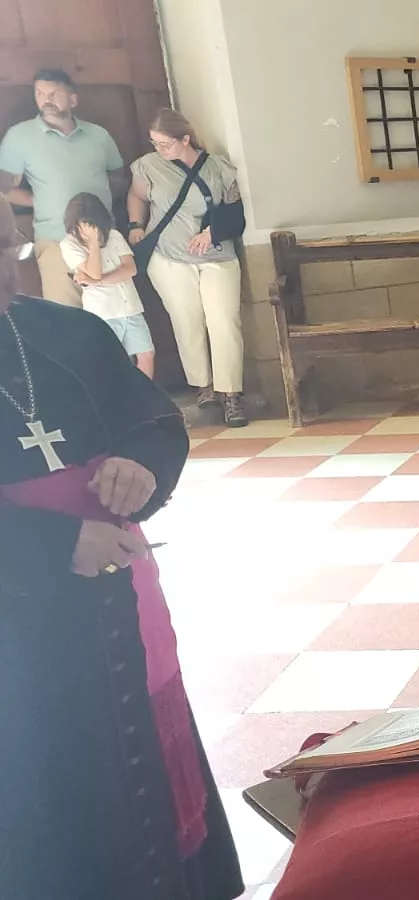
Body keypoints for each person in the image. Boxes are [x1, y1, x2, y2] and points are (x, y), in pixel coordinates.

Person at [0, 200, 243, 899]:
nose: (14, 268)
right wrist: (50, 546)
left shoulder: (66, 332)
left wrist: (142, 464)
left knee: (146, 781)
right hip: (20, 631)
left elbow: (157, 421)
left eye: (13, 247)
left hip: (121, 608)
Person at [129, 109, 249, 427]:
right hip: (169, 258)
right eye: (154, 143)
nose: (160, 150)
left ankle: (231, 393)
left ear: (185, 139)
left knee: (224, 321)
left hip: (217, 257)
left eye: (165, 144)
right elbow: (136, 195)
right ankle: (203, 385)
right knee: (186, 321)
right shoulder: (148, 166)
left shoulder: (218, 168)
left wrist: (212, 232)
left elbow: (235, 213)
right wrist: (135, 224)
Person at [0, 68, 126, 307]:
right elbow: (4, 189)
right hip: (55, 240)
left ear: (73, 99)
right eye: (40, 93)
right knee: (68, 314)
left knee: (116, 316)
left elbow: (119, 179)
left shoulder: (99, 135)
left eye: (54, 93)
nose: (46, 99)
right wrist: (40, 200)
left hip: (105, 240)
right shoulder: (19, 136)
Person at [60, 193, 155, 378]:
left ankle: (145, 399)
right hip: (104, 313)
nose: (88, 230)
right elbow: (94, 271)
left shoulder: (114, 236)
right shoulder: (69, 244)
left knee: (146, 354)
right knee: (114, 361)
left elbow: (130, 268)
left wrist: (98, 282)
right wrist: (94, 243)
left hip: (131, 307)